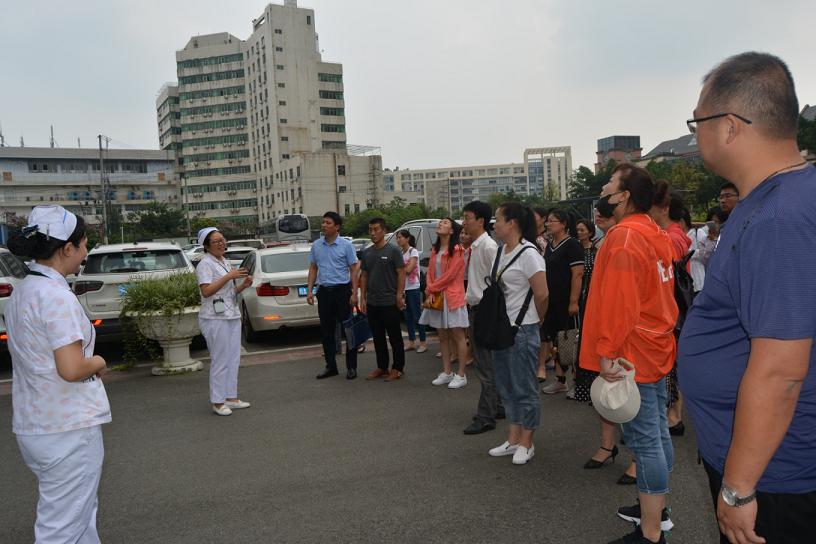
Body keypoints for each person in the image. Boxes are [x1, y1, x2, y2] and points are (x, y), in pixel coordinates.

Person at [679, 51, 816, 544]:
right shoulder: (774, 197)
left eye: (698, 121)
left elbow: (781, 370)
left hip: (775, 477)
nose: (695, 134)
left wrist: (738, 489)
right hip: (768, 464)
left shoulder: (780, 217)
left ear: (731, 126)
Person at [581, 164, 678, 544]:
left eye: (609, 184)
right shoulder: (652, 231)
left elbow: (621, 304)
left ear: (622, 196)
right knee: (655, 430)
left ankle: (651, 532)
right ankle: (657, 510)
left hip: (633, 351)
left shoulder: (623, 237)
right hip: (654, 345)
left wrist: (607, 352)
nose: (603, 189)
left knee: (645, 440)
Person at [6, 206, 110, 543]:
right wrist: (98, 362)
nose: (85, 252)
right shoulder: (55, 297)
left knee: (79, 514)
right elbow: (72, 368)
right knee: (61, 529)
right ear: (67, 248)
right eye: (83, 244)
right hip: (67, 427)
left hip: (36, 424)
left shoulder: (24, 291)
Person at [487, 202, 549, 465]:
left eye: (497, 219)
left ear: (512, 223)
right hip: (501, 329)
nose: (494, 224)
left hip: (522, 330)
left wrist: (537, 319)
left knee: (525, 389)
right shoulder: (501, 251)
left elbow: (542, 293)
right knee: (506, 386)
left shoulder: (529, 253)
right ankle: (513, 439)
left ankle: (527, 441)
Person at [196, 227, 254, 416]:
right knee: (220, 359)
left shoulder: (223, 261)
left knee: (233, 358)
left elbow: (228, 292)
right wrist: (229, 276)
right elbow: (206, 291)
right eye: (216, 242)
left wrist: (242, 286)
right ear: (206, 246)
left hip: (231, 315)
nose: (222, 244)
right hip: (214, 318)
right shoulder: (205, 263)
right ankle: (218, 401)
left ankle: (230, 397)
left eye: (223, 240)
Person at [461, 201, 504, 435]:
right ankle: (497, 407)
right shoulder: (477, 245)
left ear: (480, 221)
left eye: (467, 217)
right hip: (477, 309)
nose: (463, 222)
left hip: (484, 311)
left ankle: (487, 417)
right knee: (487, 364)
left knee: (486, 367)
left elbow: (497, 283)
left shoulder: (487, 246)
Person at [307, 212, 360, 380]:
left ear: (337, 227)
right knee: (327, 332)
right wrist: (310, 290)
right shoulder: (316, 245)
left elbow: (353, 269)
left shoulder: (346, 245)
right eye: (323, 222)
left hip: (342, 292)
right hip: (324, 292)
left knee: (348, 330)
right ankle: (331, 367)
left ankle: (351, 367)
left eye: (328, 223)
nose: (323, 225)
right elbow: (313, 268)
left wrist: (355, 293)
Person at [420, 218, 469, 389]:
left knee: (458, 336)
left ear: (452, 231)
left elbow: (451, 275)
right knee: (442, 337)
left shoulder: (458, 249)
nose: (440, 224)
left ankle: (461, 374)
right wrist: (431, 290)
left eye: (445, 223)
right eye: (440, 222)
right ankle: (447, 372)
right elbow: (430, 273)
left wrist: (431, 289)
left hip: (453, 297)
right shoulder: (435, 250)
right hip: (438, 297)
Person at [540, 209, 584, 394]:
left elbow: (578, 274)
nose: (548, 224)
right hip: (553, 301)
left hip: (567, 301)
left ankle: (578, 383)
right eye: (547, 221)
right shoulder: (550, 245)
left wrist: (573, 302)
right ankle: (560, 380)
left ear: (564, 224)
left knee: (572, 340)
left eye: (553, 221)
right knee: (557, 340)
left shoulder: (572, 244)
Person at [360, 218, 407, 382]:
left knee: (395, 337)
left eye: (376, 229)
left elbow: (401, 273)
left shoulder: (393, 250)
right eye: (370, 230)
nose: (372, 233)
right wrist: (363, 298)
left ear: (384, 231)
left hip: (389, 301)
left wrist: (399, 296)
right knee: (378, 337)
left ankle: (398, 368)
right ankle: (382, 367)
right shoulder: (367, 252)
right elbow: (364, 275)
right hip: (373, 302)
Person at [396, 229, 427, 353]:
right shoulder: (399, 253)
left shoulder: (412, 251)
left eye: (400, 237)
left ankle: (423, 343)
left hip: (413, 287)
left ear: (407, 239)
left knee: (417, 316)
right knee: (407, 316)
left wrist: (399, 269)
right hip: (403, 289)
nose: (398, 240)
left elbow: (408, 270)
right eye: (397, 238)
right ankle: (411, 342)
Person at [532, 206, 553, 382]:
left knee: (544, 328)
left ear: (543, 219)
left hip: (544, 284)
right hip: (531, 287)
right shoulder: (529, 237)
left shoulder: (546, 239)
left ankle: (542, 365)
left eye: (535, 216)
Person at [680, 208, 706, 293]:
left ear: (682, 221)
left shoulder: (697, 232)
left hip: (698, 275)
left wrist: (689, 252)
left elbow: (705, 252)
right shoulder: (679, 235)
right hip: (685, 276)